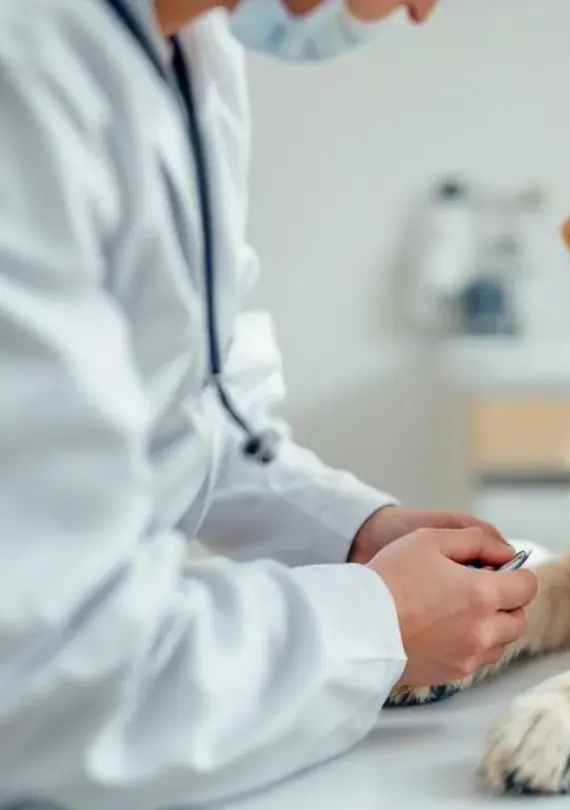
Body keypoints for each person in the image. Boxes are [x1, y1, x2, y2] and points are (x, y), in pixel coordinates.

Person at [0, 1, 539, 808]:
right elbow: (53, 673)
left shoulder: (193, 53)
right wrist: (376, 622)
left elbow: (194, 406)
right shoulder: (25, 63)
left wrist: (355, 531)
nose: (423, 11)